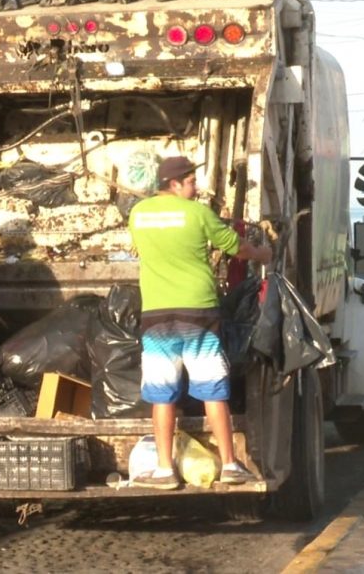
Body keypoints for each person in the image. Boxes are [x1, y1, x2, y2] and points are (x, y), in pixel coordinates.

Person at [128, 156, 272, 490]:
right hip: (199, 312)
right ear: (174, 184)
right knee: (212, 389)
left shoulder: (138, 214)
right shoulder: (197, 214)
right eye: (191, 181)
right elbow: (237, 248)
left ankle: (165, 470)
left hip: (157, 315)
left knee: (162, 395)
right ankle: (231, 465)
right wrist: (263, 254)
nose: (196, 187)